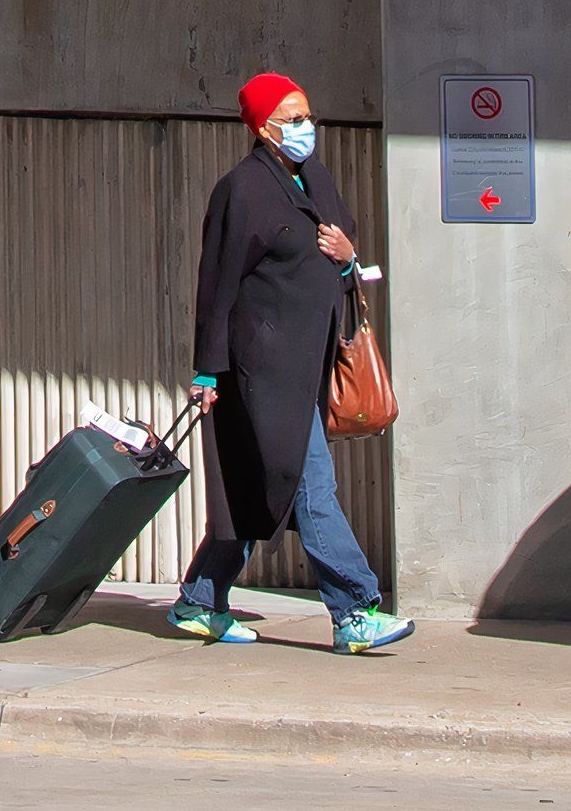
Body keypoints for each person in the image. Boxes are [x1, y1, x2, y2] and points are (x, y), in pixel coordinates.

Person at [165, 68, 410, 655]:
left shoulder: (314, 178)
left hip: (309, 363)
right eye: (294, 118)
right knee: (308, 484)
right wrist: (207, 370)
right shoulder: (243, 190)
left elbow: (340, 245)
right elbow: (217, 285)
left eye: (308, 115)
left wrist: (350, 259)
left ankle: (199, 600)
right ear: (265, 127)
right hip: (263, 371)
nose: (307, 127)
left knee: (261, 488)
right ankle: (354, 610)